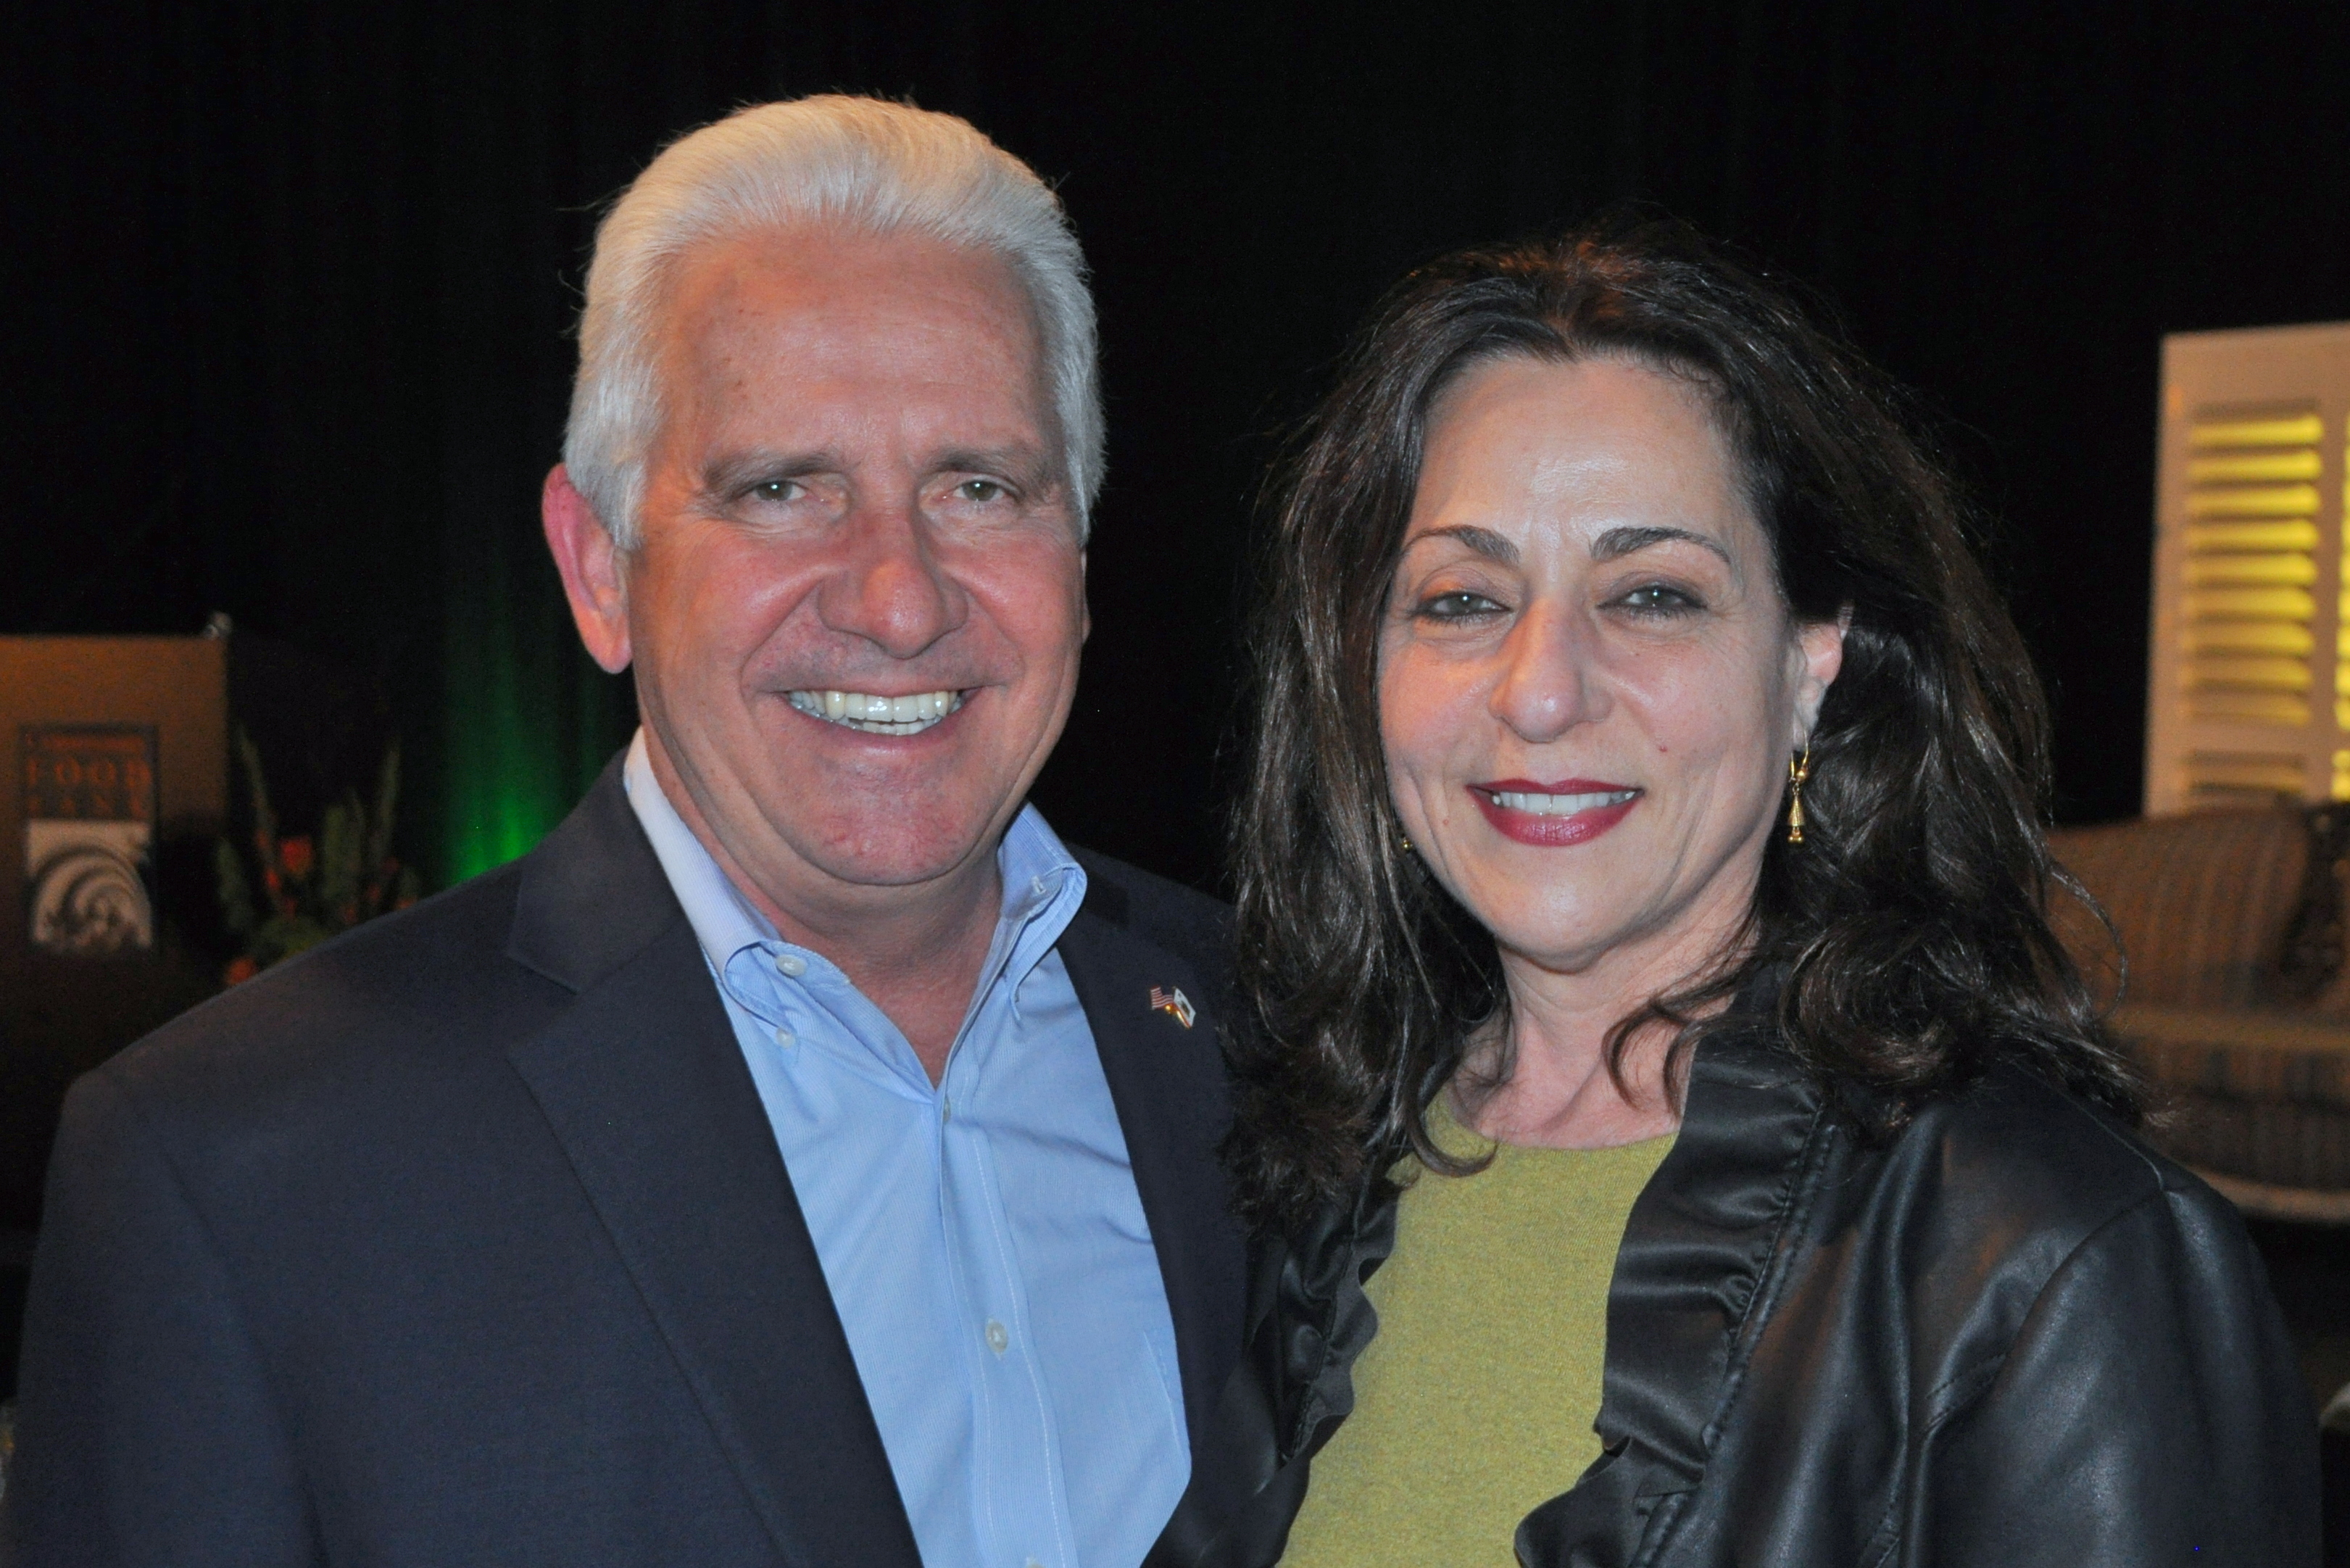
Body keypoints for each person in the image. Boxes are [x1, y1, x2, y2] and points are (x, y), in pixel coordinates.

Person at [7, 96, 1242, 1568]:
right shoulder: (234, 1167)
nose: (901, 600)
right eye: (782, 488)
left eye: (980, 486)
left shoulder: (1290, 1046)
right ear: (599, 567)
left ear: (1080, 555)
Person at [1150, 220, 2318, 1567]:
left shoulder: (2054, 1259)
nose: (1539, 691)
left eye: (1651, 595)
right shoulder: (1314, 1181)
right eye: (1462, 599)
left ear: (1813, 662)